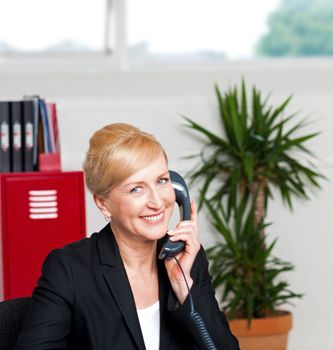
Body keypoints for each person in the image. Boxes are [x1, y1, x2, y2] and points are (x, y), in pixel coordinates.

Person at [16, 123, 239, 349]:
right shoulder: (69, 269)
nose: (157, 202)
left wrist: (184, 288)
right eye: (136, 189)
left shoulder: (188, 259)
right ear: (103, 204)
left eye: (162, 181)